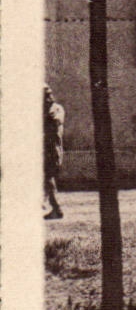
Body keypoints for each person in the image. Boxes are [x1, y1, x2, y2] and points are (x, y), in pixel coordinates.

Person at [44, 86, 65, 220]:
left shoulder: (55, 109)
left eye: (48, 95)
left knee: (48, 177)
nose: (48, 98)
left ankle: (57, 208)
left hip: (51, 149)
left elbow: (55, 123)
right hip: (44, 148)